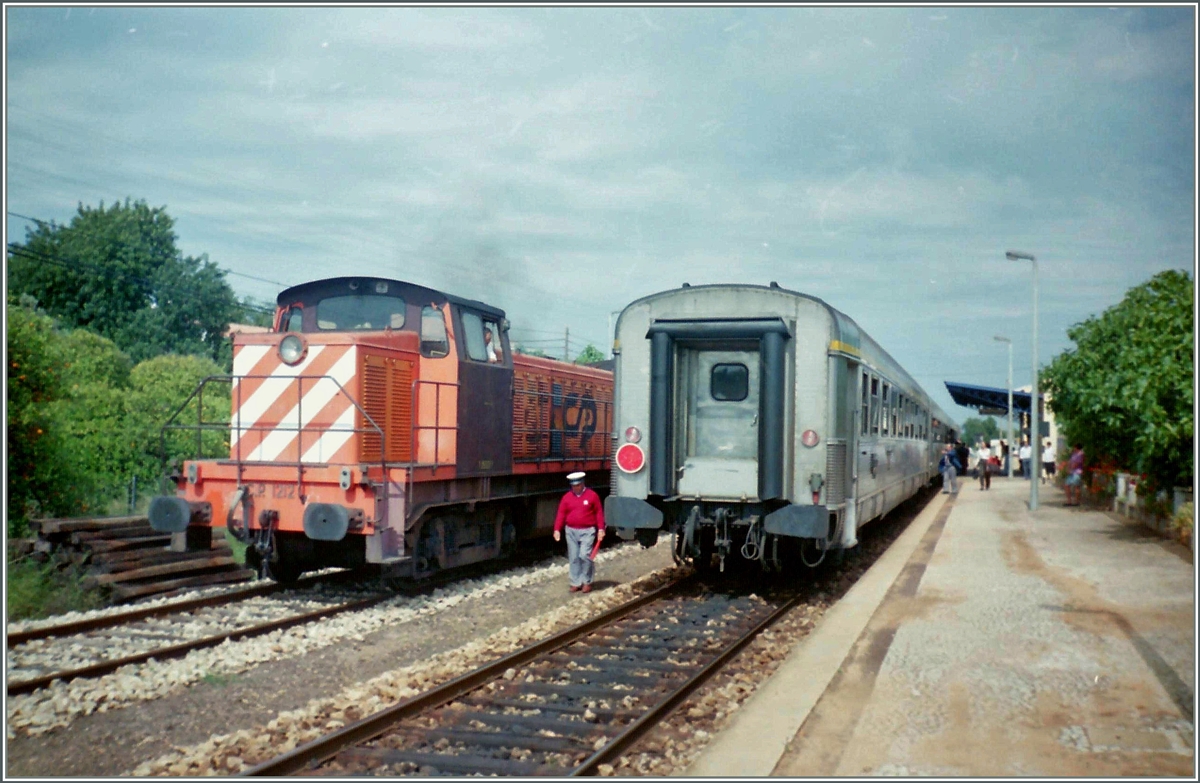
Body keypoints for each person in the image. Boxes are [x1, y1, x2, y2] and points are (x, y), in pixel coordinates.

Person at [553, 471, 605, 592]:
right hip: (571, 530)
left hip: (587, 530)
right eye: (573, 486)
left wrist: (601, 529)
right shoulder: (567, 497)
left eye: (578, 485)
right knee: (574, 557)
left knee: (585, 555)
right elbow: (561, 513)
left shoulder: (592, 496)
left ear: (582, 484)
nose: (576, 488)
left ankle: (587, 581)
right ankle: (575, 582)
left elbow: (598, 512)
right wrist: (557, 529)